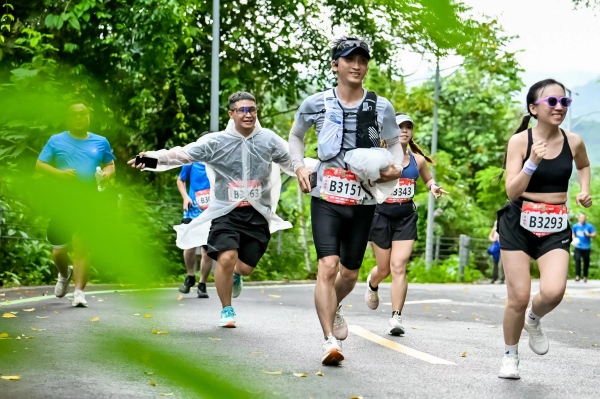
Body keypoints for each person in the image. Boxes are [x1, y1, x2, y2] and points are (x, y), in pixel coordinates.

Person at [130, 91, 294, 328]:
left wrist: (310, 171)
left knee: (245, 268)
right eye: (242, 110)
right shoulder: (217, 141)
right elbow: (182, 154)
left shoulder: (268, 139)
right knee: (226, 257)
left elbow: (293, 161)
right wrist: (152, 159)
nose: (248, 114)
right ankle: (227, 309)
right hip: (226, 212)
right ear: (231, 114)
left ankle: (236, 274)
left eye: (252, 110)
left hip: (257, 214)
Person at [288, 36, 405, 365]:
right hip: (325, 196)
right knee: (328, 266)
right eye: (349, 59)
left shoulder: (381, 107)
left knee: (350, 274)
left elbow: (395, 144)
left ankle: (334, 305)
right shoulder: (316, 103)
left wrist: (394, 168)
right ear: (334, 64)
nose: (357, 65)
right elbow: (296, 136)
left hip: (363, 200)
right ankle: (328, 342)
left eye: (362, 60)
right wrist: (298, 166)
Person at [496, 79, 592, 380]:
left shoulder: (573, 140)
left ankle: (533, 320)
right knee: (519, 296)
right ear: (533, 108)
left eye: (564, 102)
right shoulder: (520, 142)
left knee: (553, 292)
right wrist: (532, 163)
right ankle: (510, 355)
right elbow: (512, 191)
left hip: (554, 222)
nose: (559, 107)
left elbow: (584, 165)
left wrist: (583, 190)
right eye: (552, 102)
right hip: (518, 221)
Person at [364, 113, 448, 335]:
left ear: (412, 133)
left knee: (398, 266)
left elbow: (428, 179)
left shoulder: (417, 160)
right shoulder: (379, 158)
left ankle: (396, 317)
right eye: (400, 126)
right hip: (381, 214)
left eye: (408, 127)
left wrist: (433, 187)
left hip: (405, 215)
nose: (404, 130)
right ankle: (372, 284)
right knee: (383, 269)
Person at [36, 102, 116, 307]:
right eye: (74, 115)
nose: (79, 118)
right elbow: (40, 164)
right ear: (68, 118)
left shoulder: (100, 141)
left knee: (82, 246)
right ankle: (64, 274)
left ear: (88, 116)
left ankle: (79, 292)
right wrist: (60, 175)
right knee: (58, 250)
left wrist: (106, 176)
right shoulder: (56, 140)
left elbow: (110, 164)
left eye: (83, 114)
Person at [177, 161, 214, 298]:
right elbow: (181, 180)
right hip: (192, 211)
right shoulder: (191, 160)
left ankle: (202, 283)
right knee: (189, 246)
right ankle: (190, 276)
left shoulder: (217, 161)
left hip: (211, 213)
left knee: (208, 250)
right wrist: (185, 197)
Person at [572, 212, 596, 282]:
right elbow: (573, 233)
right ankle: (577, 276)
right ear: (578, 218)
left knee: (586, 261)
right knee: (577, 260)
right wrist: (574, 238)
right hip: (578, 246)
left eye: (583, 218)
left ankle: (585, 276)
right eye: (581, 218)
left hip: (586, 247)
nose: (582, 219)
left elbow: (594, 234)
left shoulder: (589, 226)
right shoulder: (575, 226)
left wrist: (589, 235)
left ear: (585, 219)